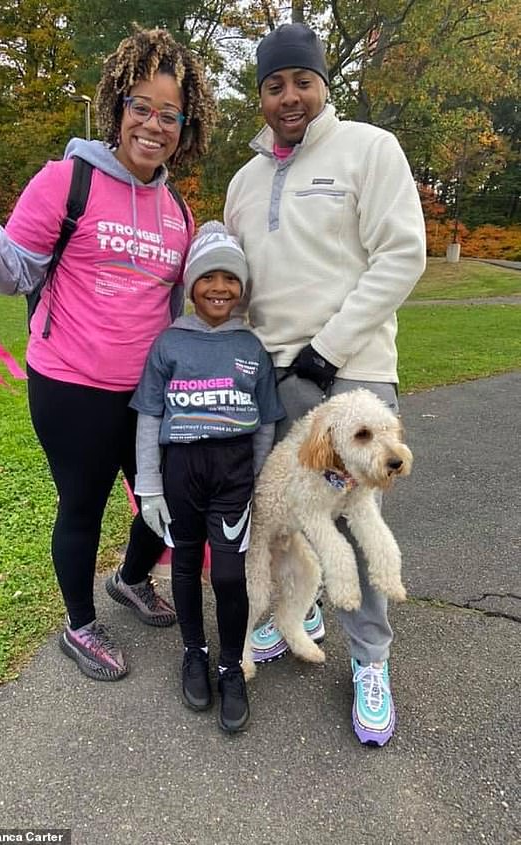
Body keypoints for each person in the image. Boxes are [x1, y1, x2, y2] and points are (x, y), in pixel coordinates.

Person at [0, 28, 217, 682]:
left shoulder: (178, 210)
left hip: (146, 396)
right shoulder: (65, 180)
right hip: (70, 385)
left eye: (169, 114)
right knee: (81, 504)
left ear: (184, 128)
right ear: (118, 106)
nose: (153, 125)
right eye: (142, 106)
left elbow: (170, 307)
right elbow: (15, 274)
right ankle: (79, 625)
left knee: (172, 499)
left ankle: (132, 579)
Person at [224, 23, 426, 745]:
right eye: (274, 85)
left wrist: (326, 349)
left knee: (358, 519)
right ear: (261, 95)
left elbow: (403, 255)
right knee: (284, 516)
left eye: (301, 81)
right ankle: (297, 612)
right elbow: (238, 285)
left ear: (322, 84)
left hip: (349, 373)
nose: (289, 97)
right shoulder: (244, 181)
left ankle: (371, 659)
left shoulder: (369, 149)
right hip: (270, 379)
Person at [130, 222, 285, 732]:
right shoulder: (169, 343)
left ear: (242, 288)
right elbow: (150, 417)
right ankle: (194, 654)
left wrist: (256, 477)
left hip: (233, 475)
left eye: (230, 279)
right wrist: (148, 483)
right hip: (181, 473)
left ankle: (230, 666)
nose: (219, 287)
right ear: (191, 285)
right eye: (207, 278)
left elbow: (266, 422)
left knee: (226, 575)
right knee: (185, 565)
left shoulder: (251, 346)